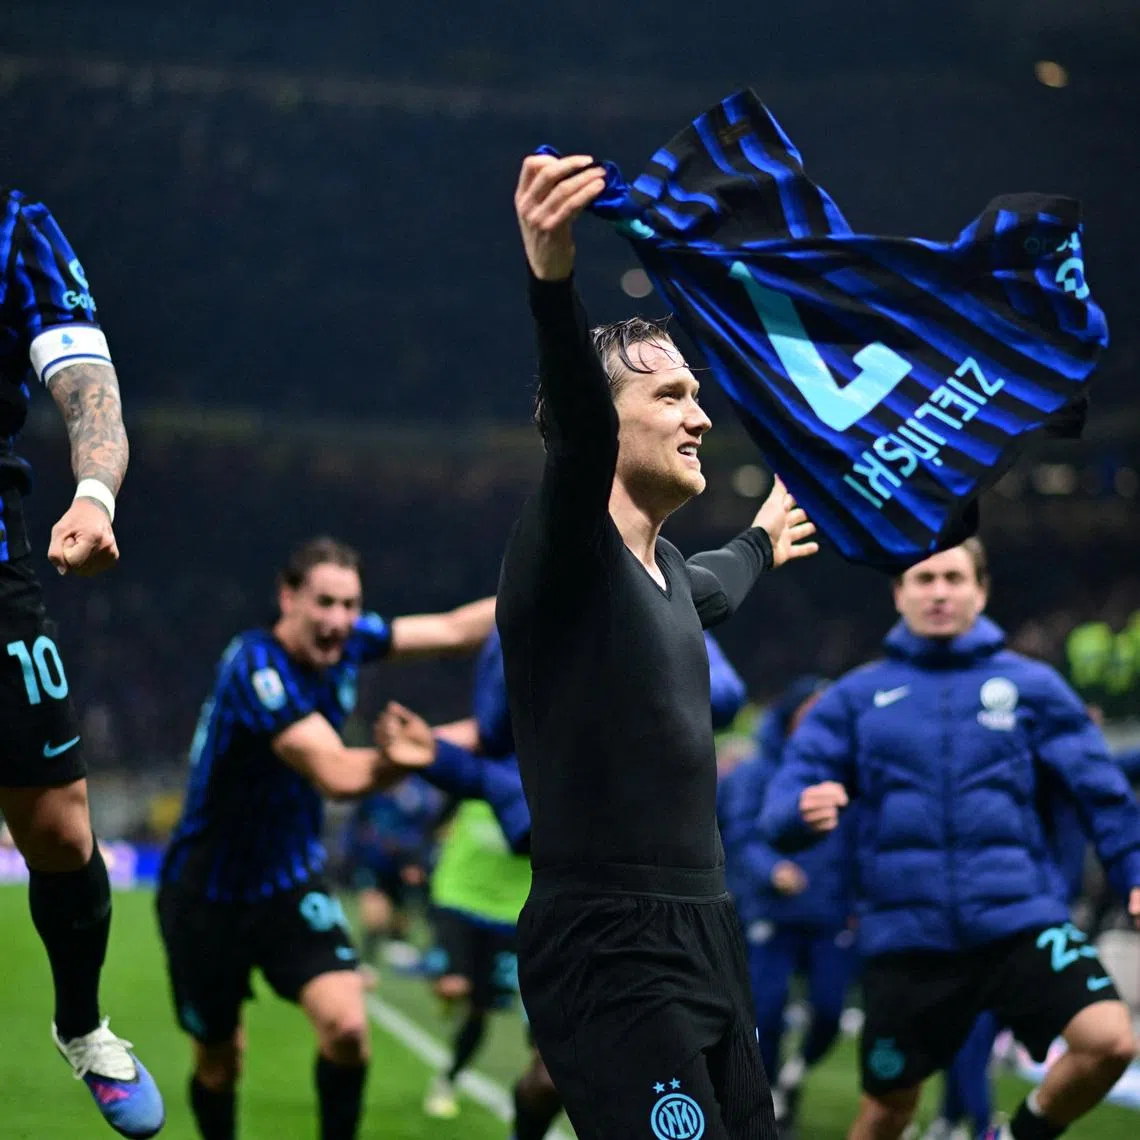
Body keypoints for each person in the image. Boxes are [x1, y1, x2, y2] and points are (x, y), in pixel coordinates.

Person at [488, 152, 819, 1140]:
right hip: (608, 941)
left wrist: (766, 533)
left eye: (695, 394)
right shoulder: (568, 552)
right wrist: (552, 282)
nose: (700, 415)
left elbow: (720, 579)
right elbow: (579, 435)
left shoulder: (670, 574)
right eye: (671, 396)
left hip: (709, 934)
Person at [760, 539, 1140, 1140]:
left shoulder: (1032, 687)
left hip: (1018, 920)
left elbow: (1104, 792)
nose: (939, 591)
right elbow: (783, 796)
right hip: (907, 940)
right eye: (924, 578)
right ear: (898, 594)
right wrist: (798, 812)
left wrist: (1133, 872)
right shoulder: (856, 698)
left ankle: (1018, 1134)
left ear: (980, 591)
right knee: (887, 1111)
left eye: (954, 578)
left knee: (1112, 1042)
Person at [155, 536, 494, 1140]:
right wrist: (440, 747)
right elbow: (338, 774)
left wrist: (549, 591)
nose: (339, 620)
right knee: (219, 1060)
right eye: (325, 603)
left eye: (350, 605)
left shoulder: (348, 641)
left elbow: (451, 629)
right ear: (288, 598)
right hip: (203, 893)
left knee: (347, 1029)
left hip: (288, 882)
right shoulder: (255, 668)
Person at [375, 620, 751, 1139]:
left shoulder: (659, 609)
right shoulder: (524, 636)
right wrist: (440, 758)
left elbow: (726, 694)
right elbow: (500, 758)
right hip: (583, 908)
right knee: (557, 1079)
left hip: (679, 905)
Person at [0, 187, 164, 1137]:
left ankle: (82, 1025)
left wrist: (94, 493)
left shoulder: (17, 230)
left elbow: (88, 387)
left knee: (60, 830)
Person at [718, 676, 854, 1140]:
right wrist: (771, 870)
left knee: (832, 1011)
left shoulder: (850, 772)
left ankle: (794, 1072)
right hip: (772, 912)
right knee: (768, 1010)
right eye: (809, 709)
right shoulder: (755, 772)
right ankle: (768, 1091)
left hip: (831, 914)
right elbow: (738, 836)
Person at [340, 775, 445, 981]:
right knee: (374, 913)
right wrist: (350, 851)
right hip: (372, 861)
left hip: (402, 865)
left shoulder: (422, 792)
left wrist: (416, 861)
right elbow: (357, 821)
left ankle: (395, 948)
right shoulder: (374, 784)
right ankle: (365, 961)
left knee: (399, 918)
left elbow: (426, 831)